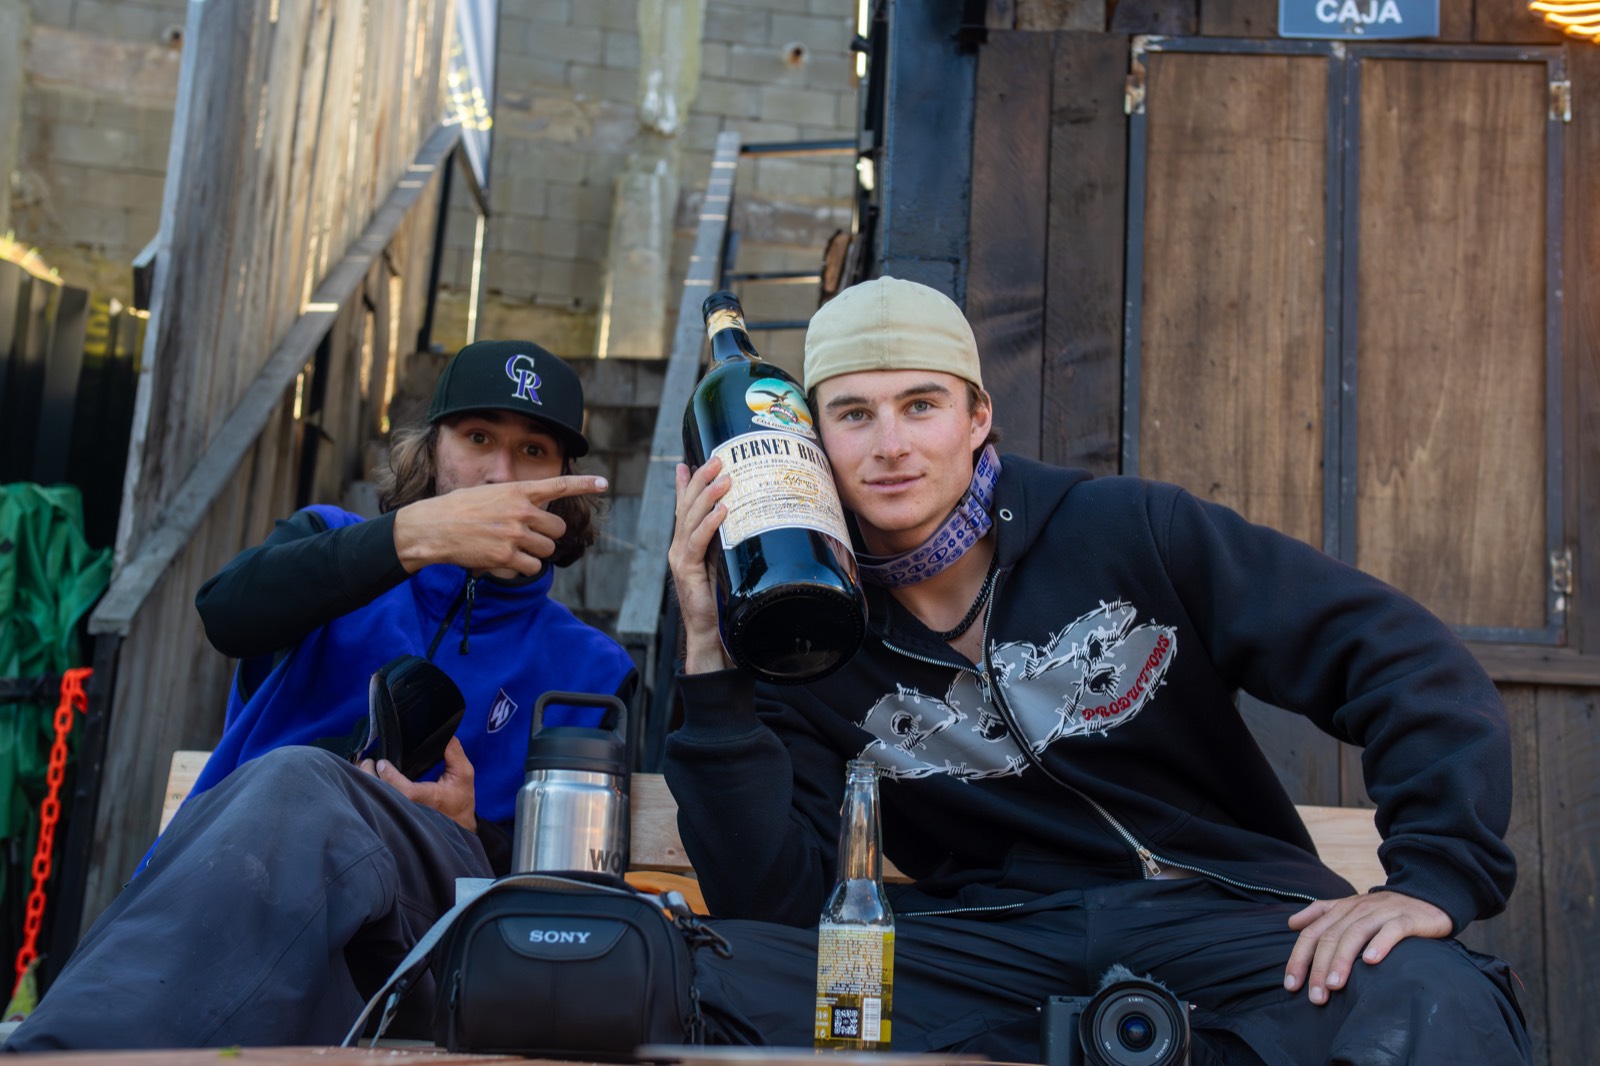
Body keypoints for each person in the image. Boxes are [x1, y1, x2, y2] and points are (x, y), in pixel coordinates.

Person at [666, 277, 1530, 1064]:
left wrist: (1436, 877)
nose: (890, 444)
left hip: (1224, 919)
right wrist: (712, 649)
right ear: (808, 440)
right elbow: (772, 906)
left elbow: (1397, 658)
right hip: (988, 947)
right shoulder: (803, 632)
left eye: (920, 405)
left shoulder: (1128, 529)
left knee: (1434, 996)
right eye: (853, 414)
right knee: (696, 987)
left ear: (976, 419)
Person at [6, 340, 637, 1051]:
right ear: (431, 453)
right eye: (478, 437)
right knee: (295, 785)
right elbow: (225, 614)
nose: (497, 473)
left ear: (563, 479)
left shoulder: (590, 666)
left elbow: (569, 910)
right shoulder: (331, 544)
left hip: (434, 941)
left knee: (299, 779)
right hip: (241, 905)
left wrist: (474, 834)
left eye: (532, 451)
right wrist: (406, 540)